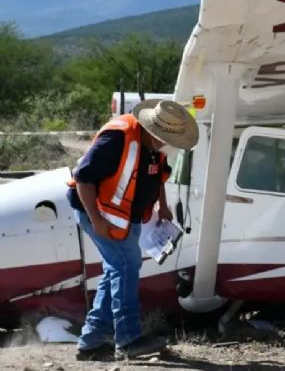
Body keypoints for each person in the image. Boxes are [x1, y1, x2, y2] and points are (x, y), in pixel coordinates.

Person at [67, 99, 198, 361]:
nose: (168, 146)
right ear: (153, 130)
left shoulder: (154, 145)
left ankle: (91, 342)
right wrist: (96, 220)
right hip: (99, 212)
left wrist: (162, 203)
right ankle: (128, 340)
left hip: (126, 217)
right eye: (165, 140)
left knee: (117, 269)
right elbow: (83, 178)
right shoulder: (118, 138)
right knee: (126, 265)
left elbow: (158, 173)